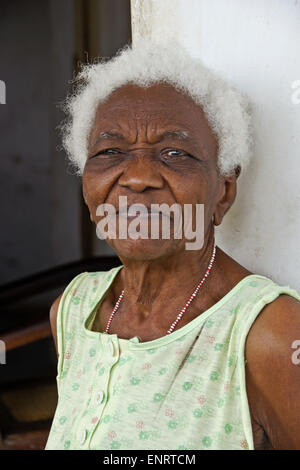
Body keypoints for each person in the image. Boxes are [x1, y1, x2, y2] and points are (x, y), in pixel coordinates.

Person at [45, 40, 300, 450]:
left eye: (174, 153)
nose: (138, 177)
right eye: (110, 151)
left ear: (223, 192)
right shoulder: (73, 310)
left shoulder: (270, 333)